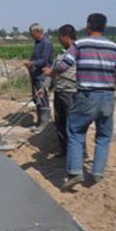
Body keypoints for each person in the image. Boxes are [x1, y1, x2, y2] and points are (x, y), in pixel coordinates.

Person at [45, 13, 116, 191]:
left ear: (89, 26)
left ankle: (75, 172)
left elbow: (64, 65)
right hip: (107, 97)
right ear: (104, 27)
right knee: (104, 137)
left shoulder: (80, 44)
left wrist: (51, 71)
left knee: (75, 132)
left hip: (86, 96)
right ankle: (97, 173)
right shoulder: (115, 48)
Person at [51, 24, 78, 157]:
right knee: (60, 122)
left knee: (71, 123)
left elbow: (60, 69)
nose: (59, 40)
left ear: (66, 37)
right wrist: (46, 86)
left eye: (60, 37)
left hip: (70, 92)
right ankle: (64, 150)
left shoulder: (77, 51)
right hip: (59, 91)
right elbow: (53, 71)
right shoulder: (61, 53)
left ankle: (75, 152)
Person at [24, 23, 54, 130]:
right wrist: (30, 63)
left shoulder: (46, 43)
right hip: (36, 74)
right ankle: (39, 122)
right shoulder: (37, 43)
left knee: (43, 98)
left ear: (38, 32)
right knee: (37, 98)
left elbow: (44, 60)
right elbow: (35, 58)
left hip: (43, 75)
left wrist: (32, 63)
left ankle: (45, 124)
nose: (31, 36)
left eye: (32, 34)